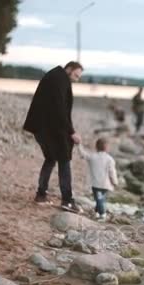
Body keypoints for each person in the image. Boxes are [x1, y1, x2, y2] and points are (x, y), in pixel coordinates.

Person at [23, 61, 83, 212]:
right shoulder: (59, 79)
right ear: (69, 69)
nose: (76, 79)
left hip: (43, 126)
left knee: (50, 158)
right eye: (76, 75)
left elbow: (58, 108)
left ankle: (41, 195)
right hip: (48, 128)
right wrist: (72, 132)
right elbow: (59, 109)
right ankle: (67, 201)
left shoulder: (57, 77)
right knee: (64, 160)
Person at [77, 138, 118, 221]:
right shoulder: (110, 159)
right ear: (107, 148)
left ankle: (99, 212)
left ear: (96, 147)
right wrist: (115, 182)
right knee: (100, 198)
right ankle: (102, 213)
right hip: (105, 184)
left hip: (95, 184)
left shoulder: (92, 156)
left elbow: (83, 154)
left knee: (99, 198)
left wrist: (78, 145)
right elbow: (112, 172)